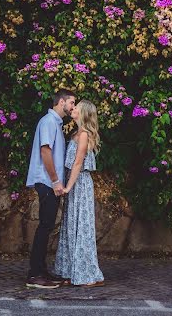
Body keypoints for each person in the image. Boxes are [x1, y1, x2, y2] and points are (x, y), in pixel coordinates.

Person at [25, 88, 76, 289]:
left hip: (50, 182)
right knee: (44, 227)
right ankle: (34, 274)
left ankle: (41, 270)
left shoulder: (55, 123)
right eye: (71, 102)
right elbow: (45, 151)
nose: (73, 106)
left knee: (46, 227)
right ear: (61, 101)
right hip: (47, 182)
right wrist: (55, 181)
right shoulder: (48, 122)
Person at [54, 99, 104, 287]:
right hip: (74, 182)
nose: (73, 108)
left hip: (80, 183)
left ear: (83, 114)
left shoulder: (84, 134)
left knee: (81, 227)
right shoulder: (76, 132)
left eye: (77, 107)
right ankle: (71, 270)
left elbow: (77, 163)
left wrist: (68, 186)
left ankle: (86, 273)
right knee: (71, 226)